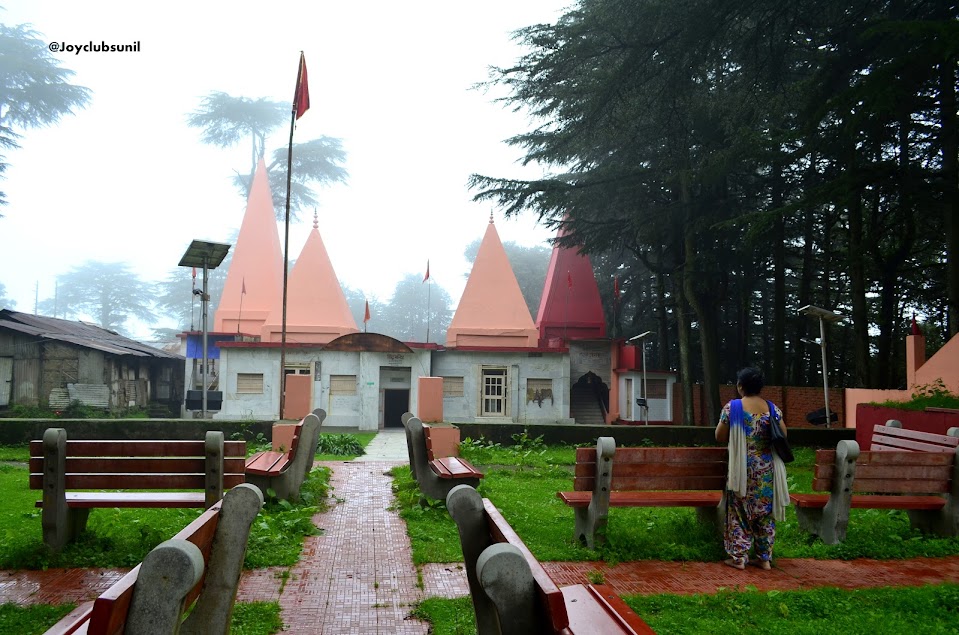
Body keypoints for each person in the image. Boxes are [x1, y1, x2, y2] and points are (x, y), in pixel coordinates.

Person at [714, 367, 789, 570]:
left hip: (741, 470)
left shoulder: (733, 408)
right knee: (765, 514)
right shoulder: (772, 409)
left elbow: (719, 436)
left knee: (739, 512)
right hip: (767, 471)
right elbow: (783, 434)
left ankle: (739, 557)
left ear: (740, 386)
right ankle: (764, 558)